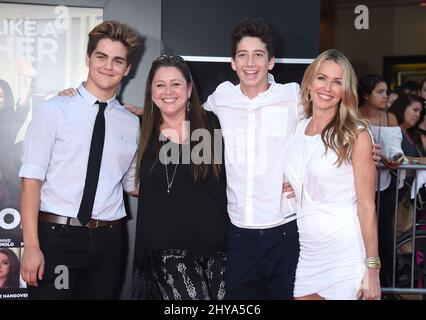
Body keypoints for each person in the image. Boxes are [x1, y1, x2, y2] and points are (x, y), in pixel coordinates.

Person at [19, 20, 141, 300]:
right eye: (101, 56)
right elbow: (30, 182)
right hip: (57, 240)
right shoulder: (54, 110)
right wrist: (32, 247)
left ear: (127, 68)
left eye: (118, 60)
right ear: (88, 58)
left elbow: (133, 185)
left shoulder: (130, 123)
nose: (108, 66)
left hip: (109, 243)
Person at [283, 49, 381, 300]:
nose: (327, 87)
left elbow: (367, 206)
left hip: (345, 251)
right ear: (309, 82)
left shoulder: (356, 134)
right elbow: (305, 175)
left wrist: (372, 268)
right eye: (322, 78)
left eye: (337, 82)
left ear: (345, 90)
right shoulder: (299, 128)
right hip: (309, 253)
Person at [132, 55, 228, 300]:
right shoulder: (139, 129)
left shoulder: (213, 124)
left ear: (189, 88)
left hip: (218, 247)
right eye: (160, 85)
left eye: (175, 83)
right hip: (168, 250)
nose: (168, 91)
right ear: (151, 91)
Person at [358, 74, 404, 289]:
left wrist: (395, 159)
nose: (386, 97)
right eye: (380, 92)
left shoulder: (391, 119)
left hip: (384, 187)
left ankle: (384, 285)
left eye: (386, 92)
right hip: (357, 186)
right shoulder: (354, 116)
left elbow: (396, 150)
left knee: (384, 237)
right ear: (366, 95)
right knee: (359, 235)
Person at [0, 60, 36, 208]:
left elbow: (23, 104)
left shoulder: (11, 119)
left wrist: (31, 80)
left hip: (6, 177)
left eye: (1, 96)